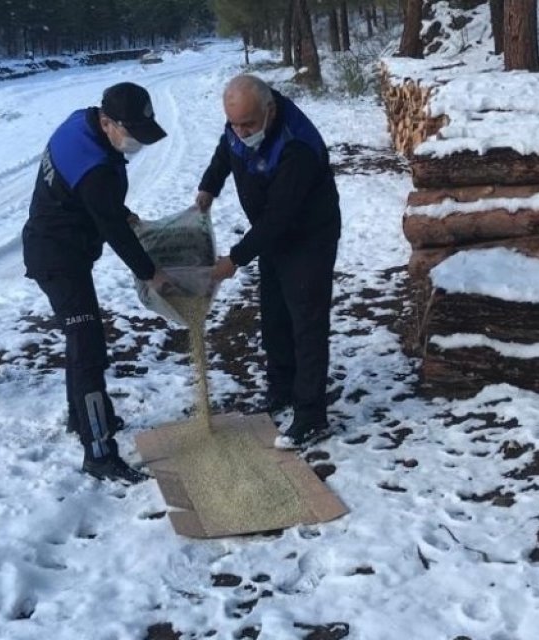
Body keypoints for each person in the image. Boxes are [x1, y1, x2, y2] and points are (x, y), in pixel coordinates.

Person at [22, 82, 174, 483]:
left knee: (81, 343)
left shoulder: (81, 122)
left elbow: (94, 201)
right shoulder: (95, 167)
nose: (135, 143)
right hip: (57, 259)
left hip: (59, 246)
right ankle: (99, 451)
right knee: (88, 348)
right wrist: (151, 273)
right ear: (106, 122)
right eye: (130, 133)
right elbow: (111, 227)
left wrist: (119, 211)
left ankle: (82, 418)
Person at [195, 74, 341, 449]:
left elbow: (281, 217)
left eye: (249, 124)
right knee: (274, 313)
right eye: (235, 124)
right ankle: (281, 389)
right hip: (270, 232)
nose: (242, 132)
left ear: (270, 110)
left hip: (308, 235)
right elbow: (226, 149)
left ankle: (311, 414)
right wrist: (208, 188)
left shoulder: (298, 146)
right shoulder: (241, 123)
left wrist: (235, 260)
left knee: (306, 321)